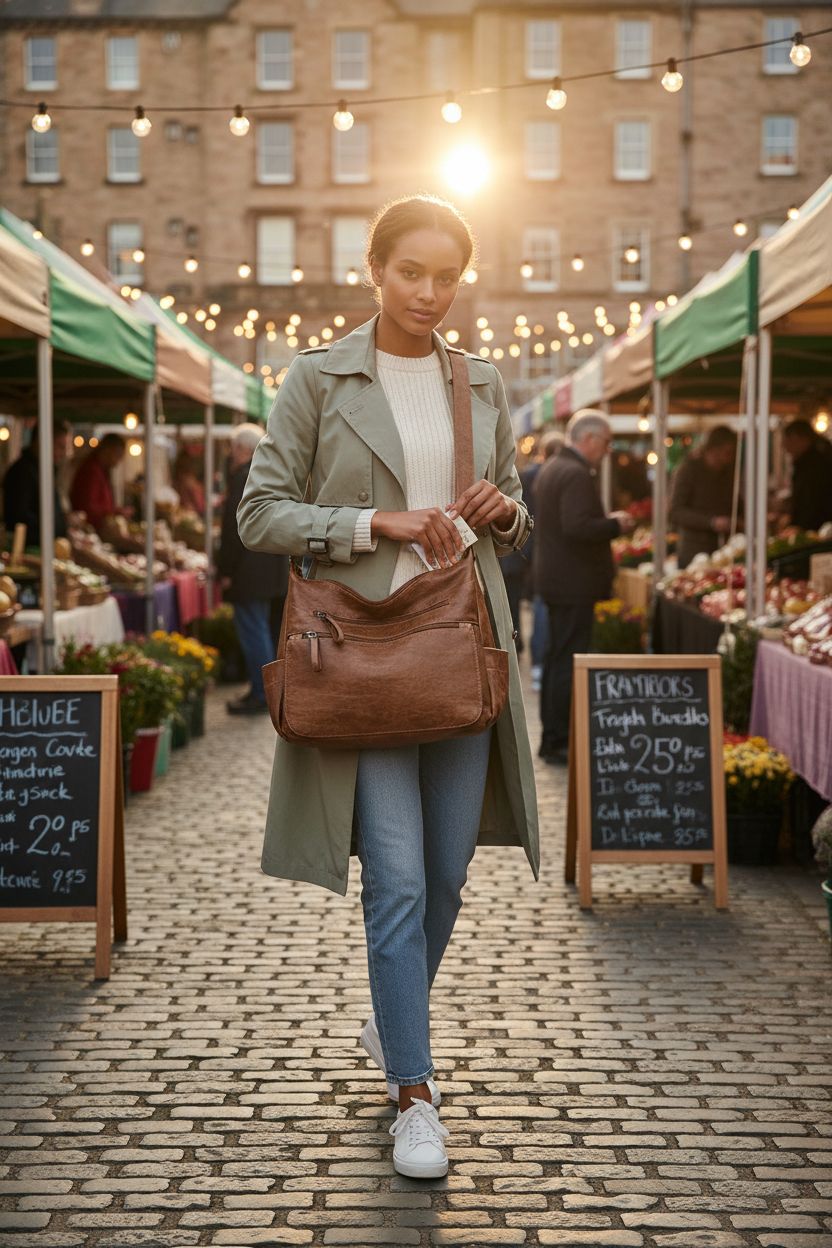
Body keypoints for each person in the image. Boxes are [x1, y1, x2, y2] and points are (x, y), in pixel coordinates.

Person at [237, 195, 539, 1180]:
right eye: (411, 271)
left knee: (448, 876)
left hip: (457, 650)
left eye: (447, 274)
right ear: (375, 269)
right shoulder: (320, 377)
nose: (430, 291)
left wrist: (502, 510)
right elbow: (261, 514)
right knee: (398, 880)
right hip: (360, 659)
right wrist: (377, 526)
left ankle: (389, 1023)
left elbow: (508, 513)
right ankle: (414, 1090)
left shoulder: (480, 382)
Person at [533, 409, 634, 766]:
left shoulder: (555, 467)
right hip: (572, 582)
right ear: (589, 439)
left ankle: (553, 737)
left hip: (558, 579)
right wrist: (614, 525)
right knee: (565, 660)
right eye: (606, 442)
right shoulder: (574, 473)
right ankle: (559, 739)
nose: (608, 450)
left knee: (556, 658)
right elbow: (577, 526)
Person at [218, 423, 288, 716]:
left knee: (254, 632)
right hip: (272, 568)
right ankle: (267, 690)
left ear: (242, 449)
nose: (232, 455)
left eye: (234, 449)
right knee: (266, 632)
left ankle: (262, 694)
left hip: (249, 571)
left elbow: (235, 531)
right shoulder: (269, 475)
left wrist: (226, 569)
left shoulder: (243, 479)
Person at [669, 425, 738, 568]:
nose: (730, 458)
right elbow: (675, 512)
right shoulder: (688, 470)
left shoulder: (728, 473)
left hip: (722, 550)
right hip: (693, 552)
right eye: (728, 452)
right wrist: (711, 522)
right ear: (714, 449)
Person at [2, 418, 72, 547]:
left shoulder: (45, 470)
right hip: (30, 550)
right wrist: (56, 528)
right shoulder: (21, 472)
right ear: (42, 442)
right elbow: (19, 519)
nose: (63, 453)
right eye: (60, 446)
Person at [69, 432, 127, 533]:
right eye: (118, 455)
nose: (118, 461)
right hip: (91, 530)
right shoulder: (91, 471)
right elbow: (89, 508)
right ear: (108, 450)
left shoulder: (100, 470)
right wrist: (115, 512)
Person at [782, 419, 832, 531]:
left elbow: (810, 500)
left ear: (799, 438)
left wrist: (797, 525)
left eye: (788, 439)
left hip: (816, 528)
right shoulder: (811, 461)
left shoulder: (815, 465)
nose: (785, 445)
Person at [173, 447, 206, 515]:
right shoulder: (189, 480)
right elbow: (200, 506)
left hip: (183, 512)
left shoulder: (178, 479)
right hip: (190, 513)